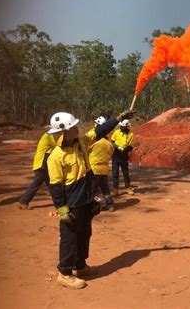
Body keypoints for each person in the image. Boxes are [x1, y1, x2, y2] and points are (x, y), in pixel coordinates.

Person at [47, 110, 133, 289]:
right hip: (72, 199)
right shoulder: (55, 156)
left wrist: (118, 119)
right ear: (63, 132)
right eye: (73, 127)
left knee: (85, 233)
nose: (77, 128)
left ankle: (80, 266)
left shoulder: (82, 143)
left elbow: (100, 131)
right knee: (70, 237)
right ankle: (64, 273)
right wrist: (62, 209)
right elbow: (55, 186)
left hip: (86, 196)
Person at [18, 130, 58, 209]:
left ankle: (59, 203)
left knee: (51, 184)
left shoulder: (51, 135)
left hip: (45, 164)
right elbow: (60, 144)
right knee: (37, 183)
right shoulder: (49, 136)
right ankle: (24, 201)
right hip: (41, 164)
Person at [86, 116, 115, 212]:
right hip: (104, 169)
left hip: (94, 169)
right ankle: (110, 205)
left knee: (93, 190)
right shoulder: (108, 143)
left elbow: (85, 152)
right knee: (105, 189)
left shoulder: (92, 141)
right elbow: (111, 153)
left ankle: (96, 206)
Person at [111, 119, 135, 196]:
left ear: (127, 127)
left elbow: (130, 146)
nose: (121, 127)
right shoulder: (116, 132)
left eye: (122, 127)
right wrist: (118, 147)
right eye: (120, 126)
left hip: (124, 155)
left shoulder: (131, 135)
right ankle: (115, 189)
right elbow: (112, 142)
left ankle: (128, 187)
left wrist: (125, 149)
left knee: (125, 172)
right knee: (115, 173)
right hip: (116, 155)